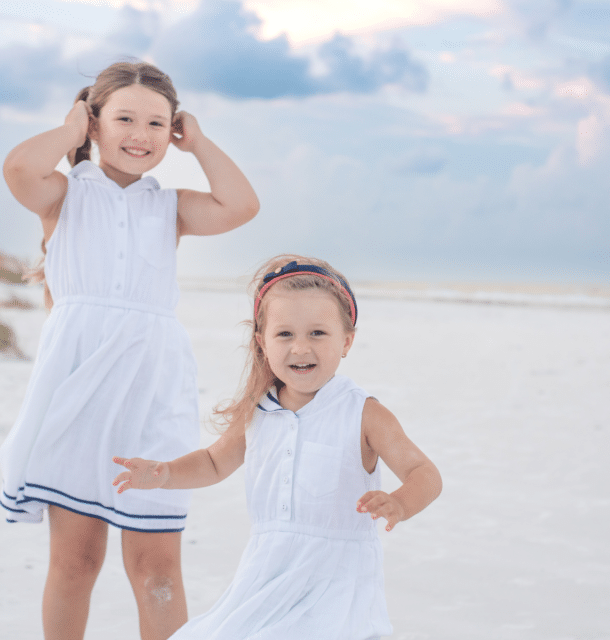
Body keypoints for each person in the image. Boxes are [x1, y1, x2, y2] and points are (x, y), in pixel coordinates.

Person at [0, 61, 259, 640]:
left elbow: (241, 206)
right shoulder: (63, 195)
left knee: (157, 566)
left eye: (156, 123)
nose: (140, 135)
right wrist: (70, 132)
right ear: (94, 122)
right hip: (79, 390)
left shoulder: (168, 207)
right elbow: (17, 167)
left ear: (173, 131)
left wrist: (202, 143)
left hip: (151, 393)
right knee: (75, 561)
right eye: (123, 119)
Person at [113, 255, 442, 640]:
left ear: (347, 341)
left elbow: (426, 474)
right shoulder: (259, 411)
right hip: (266, 576)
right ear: (262, 343)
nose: (301, 348)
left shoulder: (363, 413)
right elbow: (213, 462)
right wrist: (165, 473)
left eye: (318, 333)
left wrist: (400, 503)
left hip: (334, 581)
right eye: (285, 335)